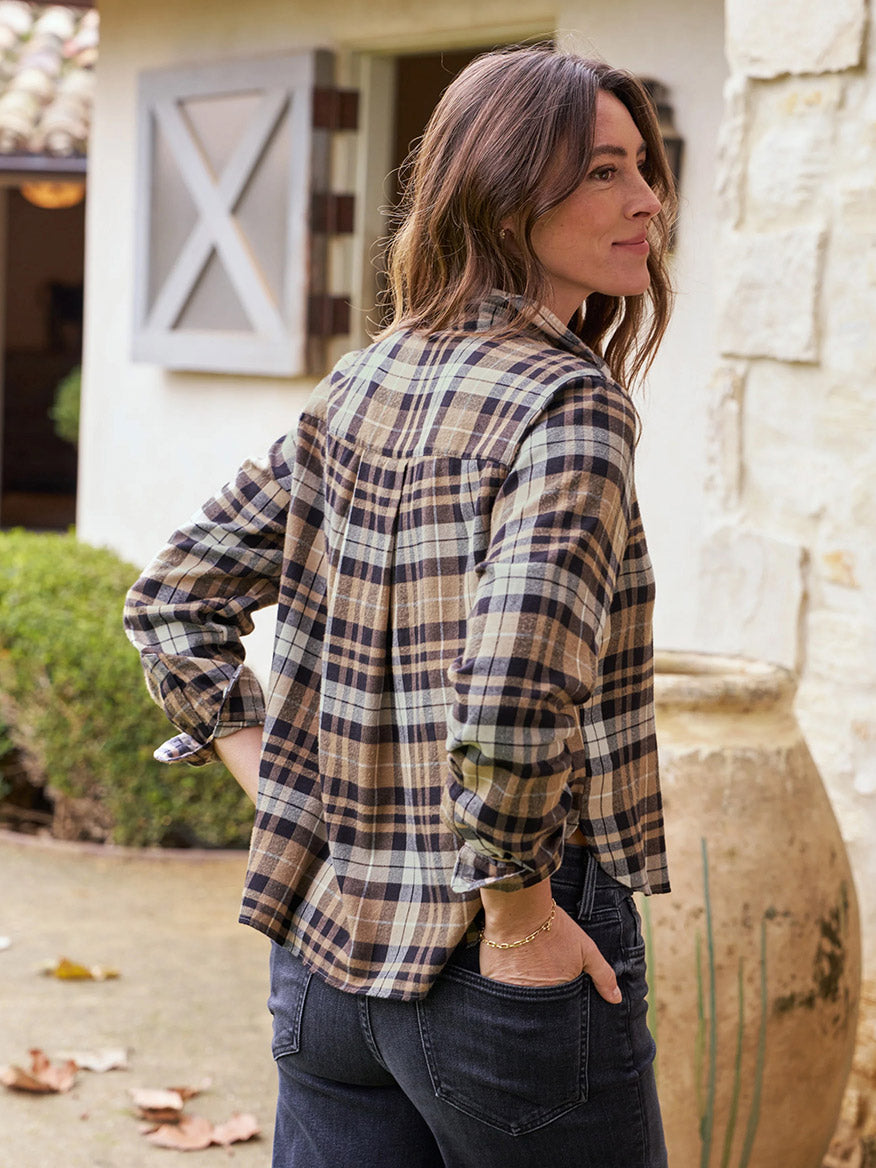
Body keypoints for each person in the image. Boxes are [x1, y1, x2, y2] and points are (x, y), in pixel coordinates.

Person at [124, 43, 674, 1168]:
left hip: (326, 961)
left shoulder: (369, 374)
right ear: (508, 190)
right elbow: (515, 698)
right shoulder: (570, 402)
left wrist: (287, 793)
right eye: (605, 173)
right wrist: (520, 913)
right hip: (493, 964)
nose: (647, 202)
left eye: (644, 168)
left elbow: (173, 596)